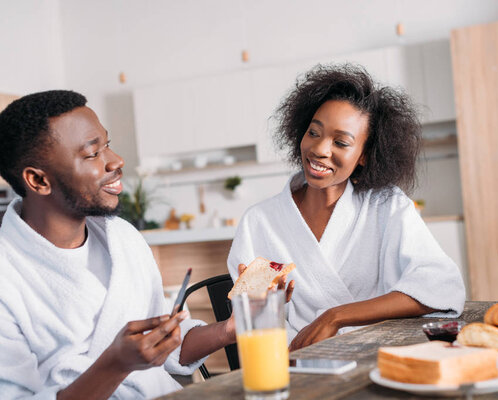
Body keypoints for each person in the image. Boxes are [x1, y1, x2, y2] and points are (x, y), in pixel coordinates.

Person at [0, 90, 237, 399]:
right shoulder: (7, 275)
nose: (117, 160)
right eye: (92, 153)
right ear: (38, 181)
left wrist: (229, 330)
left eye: (107, 145)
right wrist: (115, 365)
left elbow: (161, 346)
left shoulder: (122, 239)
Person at [227, 64, 466, 350]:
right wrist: (264, 305)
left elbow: (440, 287)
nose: (320, 149)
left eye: (341, 142)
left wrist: (335, 317)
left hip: (381, 354)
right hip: (297, 360)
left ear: (364, 155)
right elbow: (250, 323)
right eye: (314, 133)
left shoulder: (387, 206)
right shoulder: (260, 221)